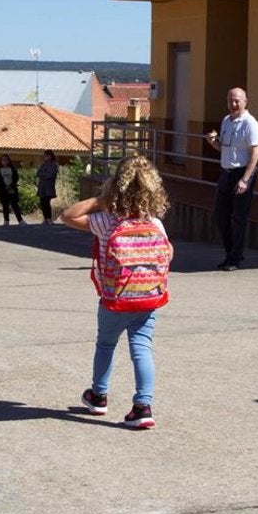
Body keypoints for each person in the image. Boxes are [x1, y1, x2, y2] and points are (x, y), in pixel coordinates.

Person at [61, 154, 170, 429]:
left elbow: (68, 215)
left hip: (115, 299)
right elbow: (169, 253)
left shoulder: (107, 220)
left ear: (115, 185)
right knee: (142, 347)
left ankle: (98, 396)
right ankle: (143, 406)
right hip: (148, 298)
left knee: (106, 344)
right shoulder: (154, 223)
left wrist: (103, 199)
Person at [205, 87, 258, 271]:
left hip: (242, 173)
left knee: (239, 217)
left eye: (237, 101)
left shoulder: (250, 124)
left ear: (245, 101)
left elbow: (254, 154)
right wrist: (213, 143)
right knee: (220, 215)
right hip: (226, 173)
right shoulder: (226, 121)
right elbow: (225, 148)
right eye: (230, 101)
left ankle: (235, 258)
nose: (233, 104)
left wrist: (245, 179)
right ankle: (231, 253)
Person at [0, 153, 26, 226]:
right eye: (3, 160)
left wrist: (11, 186)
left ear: (9, 161)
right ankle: (6, 220)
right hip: (3, 191)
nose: (4, 161)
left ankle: (20, 220)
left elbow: (16, 178)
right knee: (5, 206)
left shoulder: (13, 169)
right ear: (1, 161)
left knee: (15, 205)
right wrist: (4, 186)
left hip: (12, 190)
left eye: (6, 160)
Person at [36, 150, 59, 225]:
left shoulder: (54, 165)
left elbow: (50, 175)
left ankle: (49, 218)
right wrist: (43, 175)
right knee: (42, 203)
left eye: (46, 156)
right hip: (42, 187)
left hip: (49, 187)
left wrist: (43, 175)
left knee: (46, 202)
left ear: (50, 156)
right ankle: (45, 218)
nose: (45, 157)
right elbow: (38, 173)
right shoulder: (43, 165)